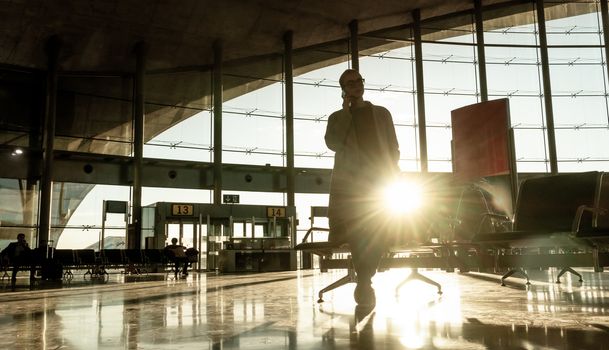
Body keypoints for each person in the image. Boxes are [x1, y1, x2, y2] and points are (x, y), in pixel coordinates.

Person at [325, 69, 400, 307]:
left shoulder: (381, 113)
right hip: (351, 187)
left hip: (378, 183)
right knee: (359, 230)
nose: (356, 85)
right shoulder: (337, 117)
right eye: (350, 83)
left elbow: (393, 146)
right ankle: (365, 281)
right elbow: (333, 143)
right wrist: (347, 111)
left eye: (359, 81)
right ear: (343, 89)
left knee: (377, 228)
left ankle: (365, 279)